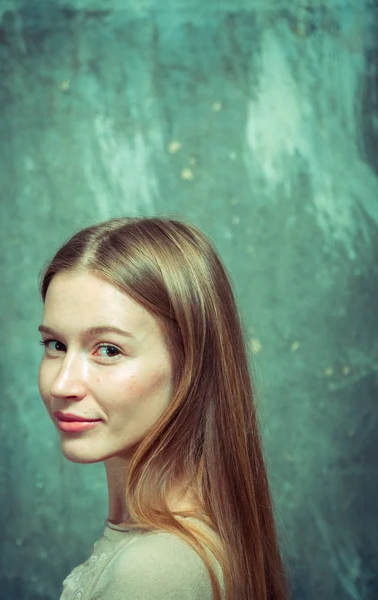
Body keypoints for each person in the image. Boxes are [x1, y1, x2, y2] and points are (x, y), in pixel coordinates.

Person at [37, 216, 289, 600]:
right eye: (55, 345)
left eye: (108, 349)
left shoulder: (153, 575)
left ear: (191, 364)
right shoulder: (177, 549)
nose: (62, 384)